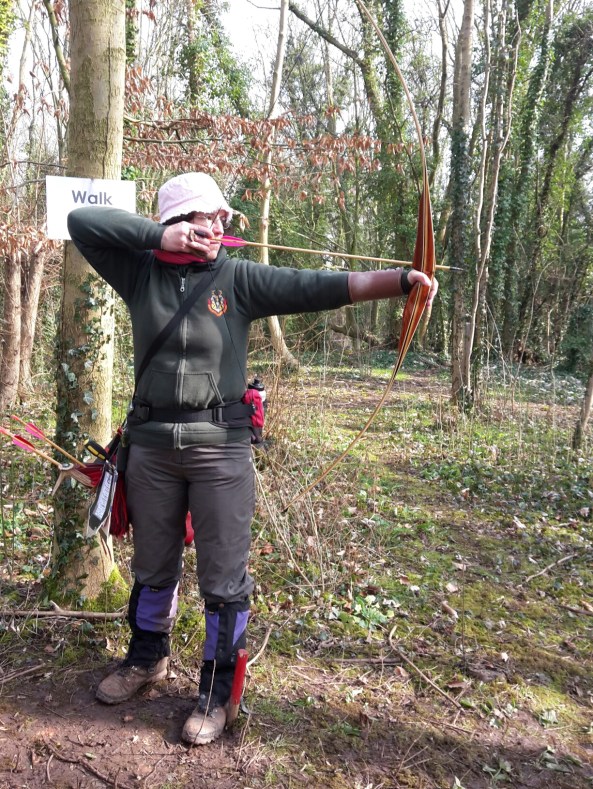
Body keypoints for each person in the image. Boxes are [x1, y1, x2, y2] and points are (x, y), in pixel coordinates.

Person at [67, 172, 438, 746]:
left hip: (221, 453)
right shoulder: (139, 272)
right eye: (203, 217)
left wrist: (401, 281)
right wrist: (155, 240)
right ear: (175, 223)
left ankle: (218, 695)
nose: (217, 226)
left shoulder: (237, 277)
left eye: (221, 218)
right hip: (153, 451)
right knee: (152, 567)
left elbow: (317, 286)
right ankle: (145, 660)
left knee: (222, 580)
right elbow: (80, 224)